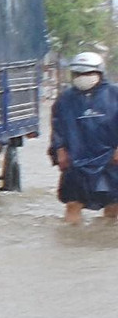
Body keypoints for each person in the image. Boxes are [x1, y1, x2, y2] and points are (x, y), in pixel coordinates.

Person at [50, 51, 118, 225]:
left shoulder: (114, 94)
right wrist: (59, 149)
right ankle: (71, 242)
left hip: (110, 160)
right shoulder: (65, 99)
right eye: (78, 73)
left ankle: (102, 238)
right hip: (76, 160)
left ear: (99, 73)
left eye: (88, 73)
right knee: (73, 203)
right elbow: (58, 127)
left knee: (113, 205)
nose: (82, 77)